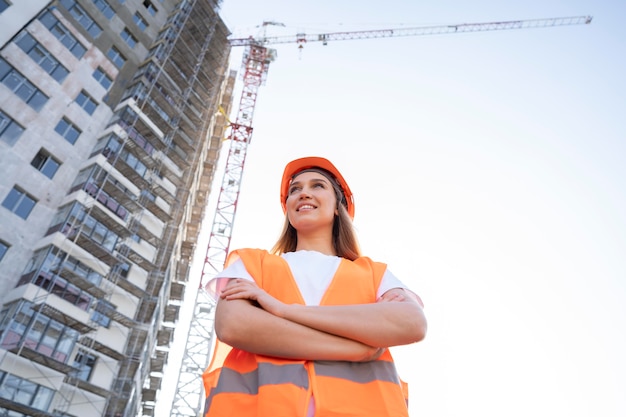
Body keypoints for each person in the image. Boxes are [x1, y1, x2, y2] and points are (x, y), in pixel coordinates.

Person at [202, 156, 427, 417]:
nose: (303, 193)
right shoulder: (252, 263)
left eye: (317, 186)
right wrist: (355, 347)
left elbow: (412, 323)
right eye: (294, 190)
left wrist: (282, 310)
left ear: (336, 206)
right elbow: (233, 325)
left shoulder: (375, 273)